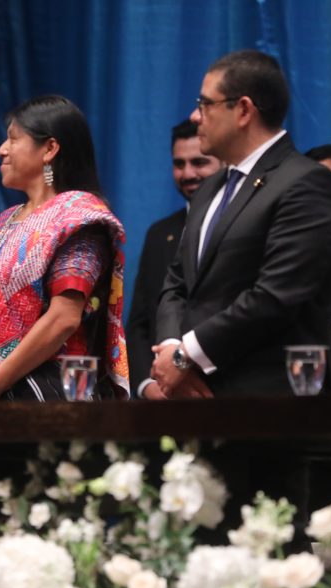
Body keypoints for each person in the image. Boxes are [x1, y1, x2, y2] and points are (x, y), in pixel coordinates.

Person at [151, 50, 331, 397]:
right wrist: (170, 351)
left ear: (243, 110)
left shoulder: (306, 183)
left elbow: (275, 297)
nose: (196, 116)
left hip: (267, 404)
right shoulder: (210, 188)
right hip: (191, 394)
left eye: (205, 104)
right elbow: (177, 282)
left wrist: (186, 356)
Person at [0, 95, 129, 403]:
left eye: (13, 139)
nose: (1, 149)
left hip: (50, 397)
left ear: (49, 149)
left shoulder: (80, 217)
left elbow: (64, 318)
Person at [127, 120, 220, 399]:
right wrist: (149, 386)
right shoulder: (160, 233)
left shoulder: (245, 225)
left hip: (221, 392)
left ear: (225, 163)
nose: (188, 173)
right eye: (179, 164)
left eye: (199, 162)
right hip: (163, 399)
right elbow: (140, 324)